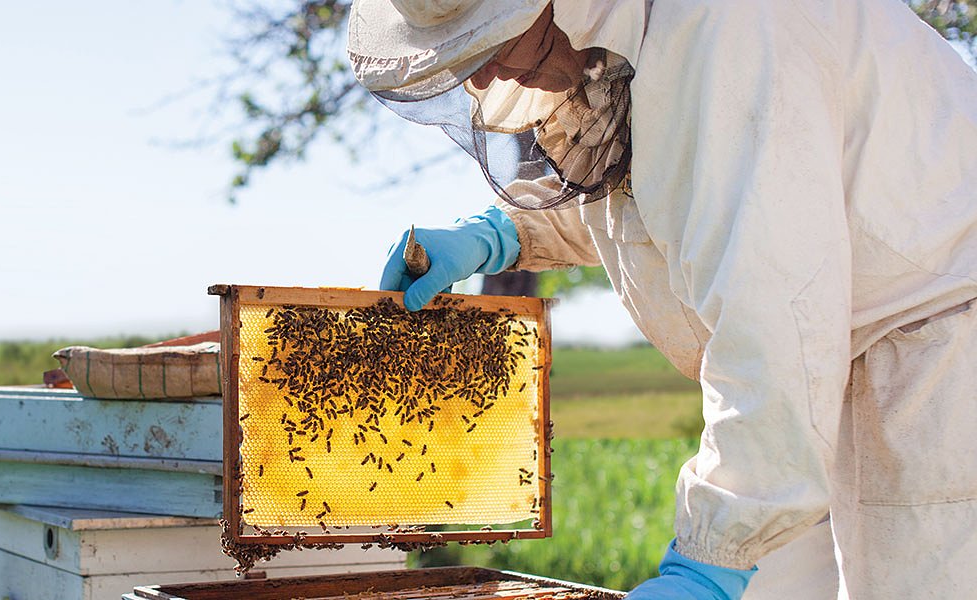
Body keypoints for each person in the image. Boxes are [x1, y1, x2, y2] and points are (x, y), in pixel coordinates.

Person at [347, 1, 977, 598]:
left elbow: (775, 309)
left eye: (493, 37)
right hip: (817, 372)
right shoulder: (631, 43)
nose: (483, 76)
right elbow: (659, 185)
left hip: (933, 359)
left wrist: (708, 565)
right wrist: (504, 233)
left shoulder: (729, 34)